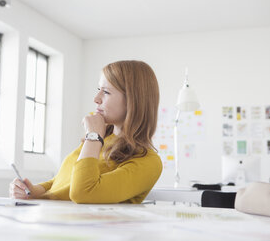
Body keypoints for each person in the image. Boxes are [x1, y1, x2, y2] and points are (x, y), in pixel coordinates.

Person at [9, 60, 162, 204]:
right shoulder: (101, 138)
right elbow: (64, 179)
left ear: (132, 101)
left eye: (106, 92)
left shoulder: (148, 162)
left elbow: (83, 192)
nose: (96, 99)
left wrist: (93, 137)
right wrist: (36, 190)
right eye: (98, 90)